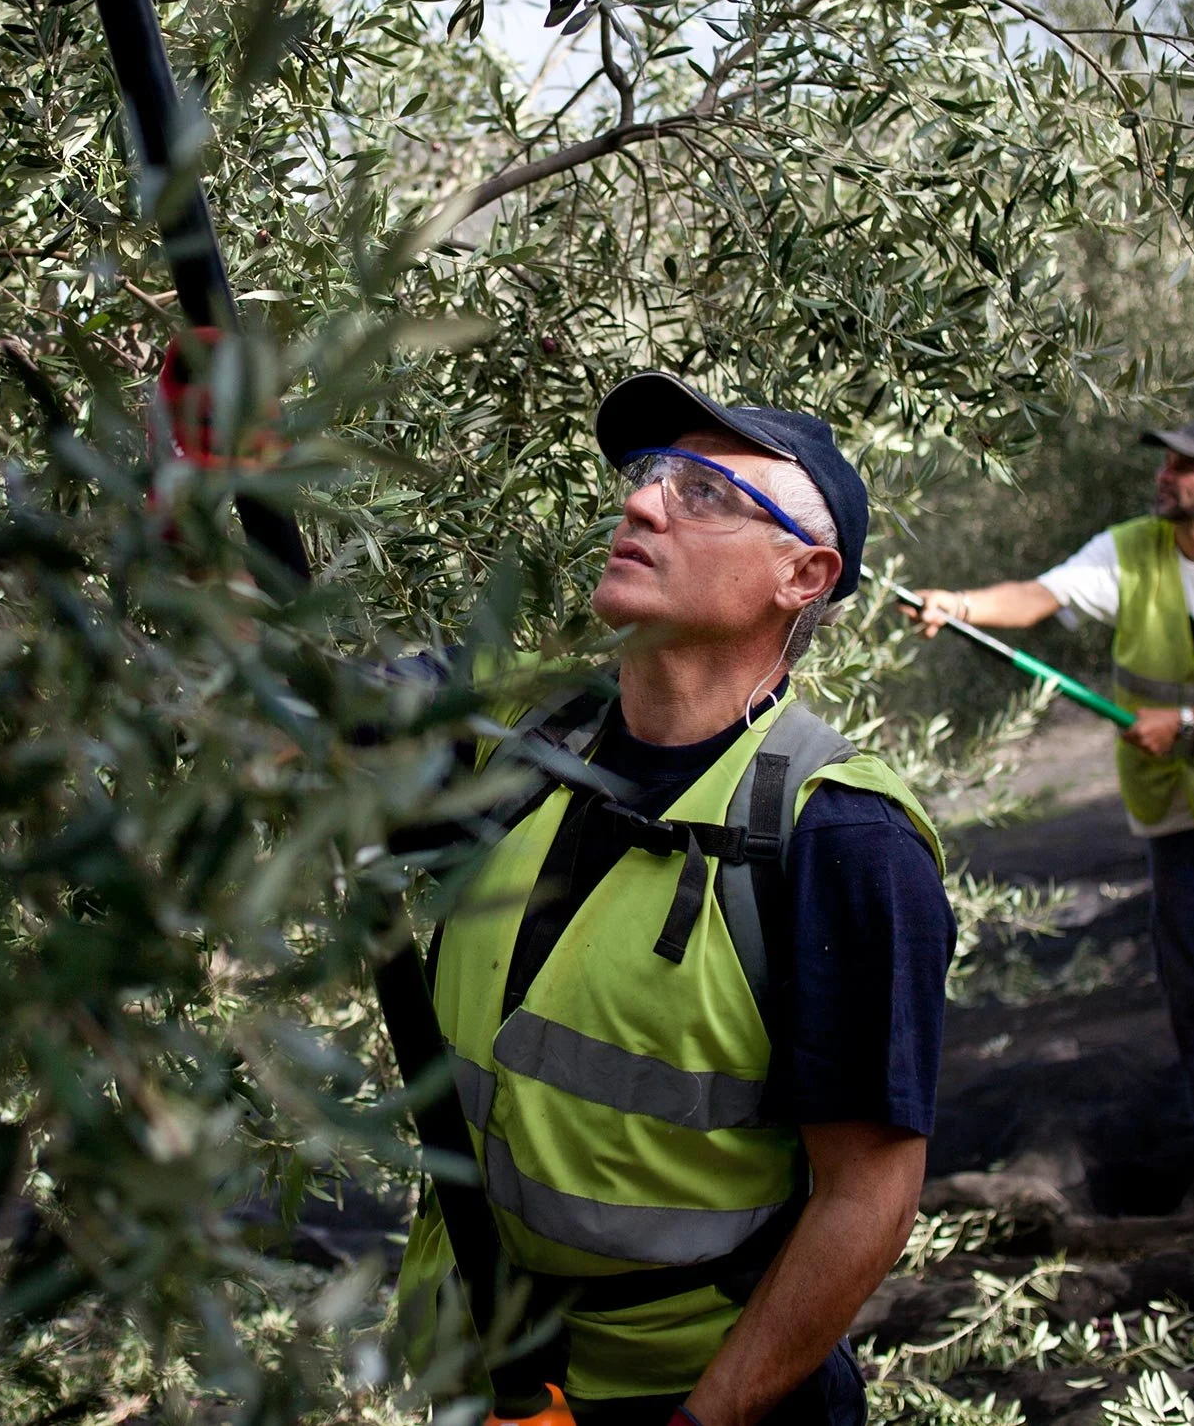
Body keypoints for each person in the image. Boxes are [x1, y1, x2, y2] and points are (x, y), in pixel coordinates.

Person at [394, 372, 954, 1426]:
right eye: (653, 475)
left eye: (704, 492)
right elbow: (296, 712)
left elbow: (867, 1196)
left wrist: (699, 1423)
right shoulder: (527, 738)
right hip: (488, 1373)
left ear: (803, 574)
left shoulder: (841, 839)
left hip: (696, 1397)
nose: (643, 502)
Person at [907, 418, 1194, 1128]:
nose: (1165, 475)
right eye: (1167, 463)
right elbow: (1042, 595)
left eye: (1185, 467)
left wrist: (1184, 722)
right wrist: (961, 604)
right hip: (1173, 805)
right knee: (1192, 978)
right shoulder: (1128, 550)